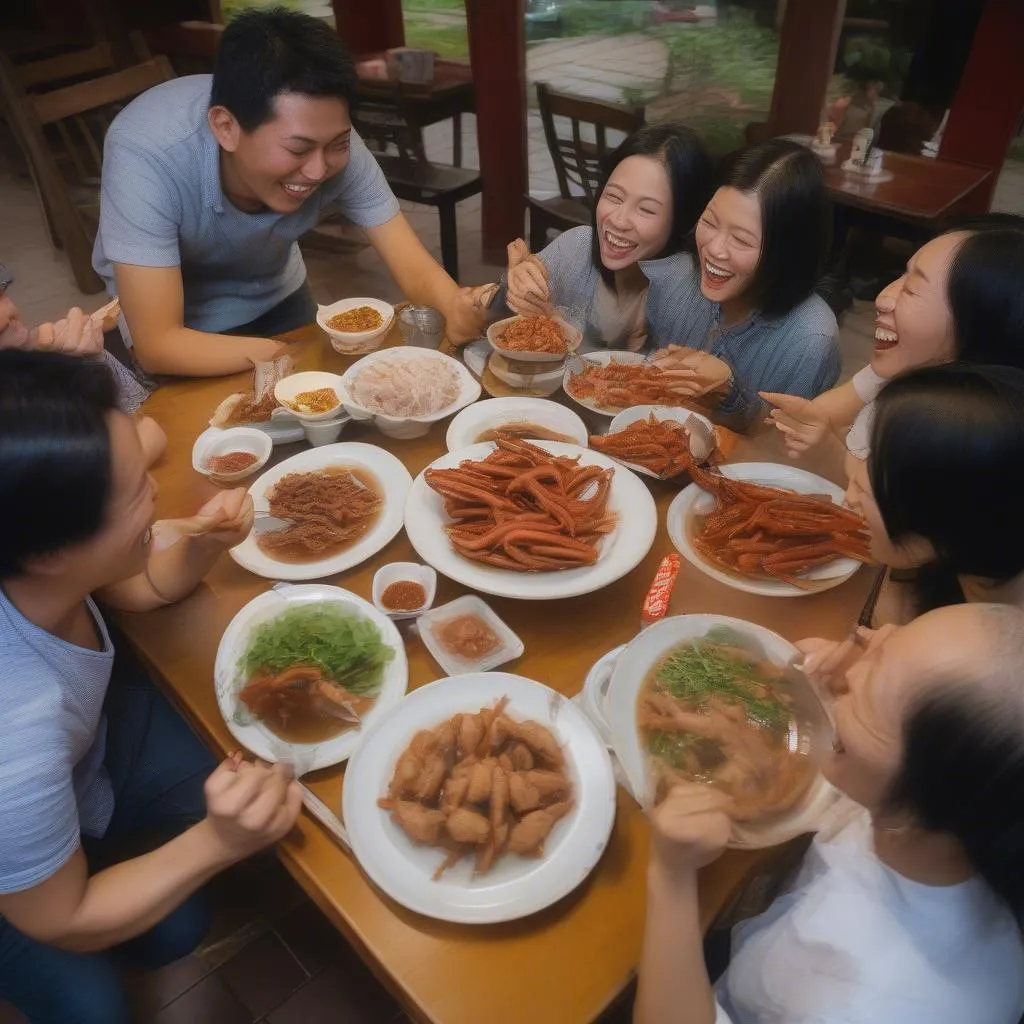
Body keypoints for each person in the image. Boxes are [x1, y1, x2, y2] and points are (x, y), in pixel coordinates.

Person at [0, 350, 302, 1023]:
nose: (157, 497)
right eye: (136, 490)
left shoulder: (34, 553)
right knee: (99, 1000)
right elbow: (65, 916)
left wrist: (203, 543)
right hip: (30, 886)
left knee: (174, 904)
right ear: (50, 549)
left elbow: (144, 586)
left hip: (89, 762)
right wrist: (219, 843)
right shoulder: (13, 731)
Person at [635, 602, 1024, 1024]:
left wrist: (671, 880)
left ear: (924, 798)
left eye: (872, 686)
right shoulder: (962, 822)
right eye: (882, 644)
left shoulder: (869, 1003)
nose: (852, 672)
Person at [92, 8, 483, 379]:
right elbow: (159, 345)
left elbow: (412, 265)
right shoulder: (147, 153)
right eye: (297, 150)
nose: (317, 170)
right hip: (183, 327)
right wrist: (286, 356)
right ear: (226, 127)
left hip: (276, 291)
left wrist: (456, 306)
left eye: (337, 143)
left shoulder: (330, 142)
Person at [798, 364, 1024, 686]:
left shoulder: (991, 673)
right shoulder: (962, 571)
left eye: (878, 472)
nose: (851, 491)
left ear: (944, 513)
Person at [764, 214, 1024, 465]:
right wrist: (800, 423)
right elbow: (823, 413)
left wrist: (827, 453)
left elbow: (879, 501)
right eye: (902, 275)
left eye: (911, 289)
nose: (882, 298)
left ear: (977, 325)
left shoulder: (962, 434)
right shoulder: (901, 368)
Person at [649, 139, 840, 428]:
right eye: (710, 222)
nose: (714, 249)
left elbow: (780, 454)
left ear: (787, 253)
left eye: (741, 239)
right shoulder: (678, 278)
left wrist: (729, 391)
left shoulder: (810, 340)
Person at [502, 121, 714, 352]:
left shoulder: (689, 294)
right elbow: (494, 318)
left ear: (683, 220)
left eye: (646, 210)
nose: (618, 221)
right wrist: (515, 287)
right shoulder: (576, 248)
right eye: (614, 196)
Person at [0, 263, 166, 463]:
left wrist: (88, 367)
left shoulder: (48, 351)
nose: (7, 314)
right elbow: (145, 438)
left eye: (1, 294)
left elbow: (145, 413)